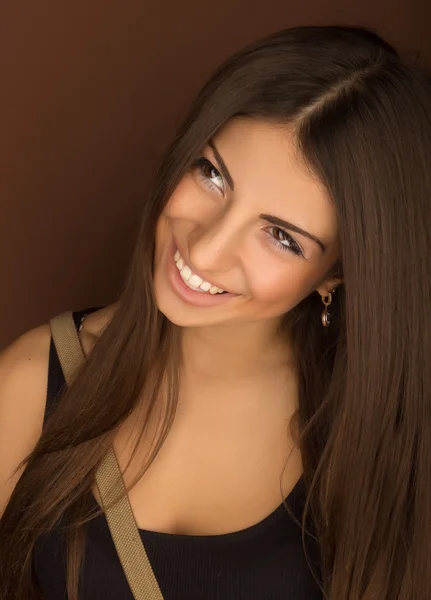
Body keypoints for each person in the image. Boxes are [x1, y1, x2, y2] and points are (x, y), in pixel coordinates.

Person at [0, 23, 430, 600]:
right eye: (212, 174)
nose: (204, 249)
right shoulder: (34, 380)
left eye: (281, 236)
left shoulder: (382, 437)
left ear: (338, 273)